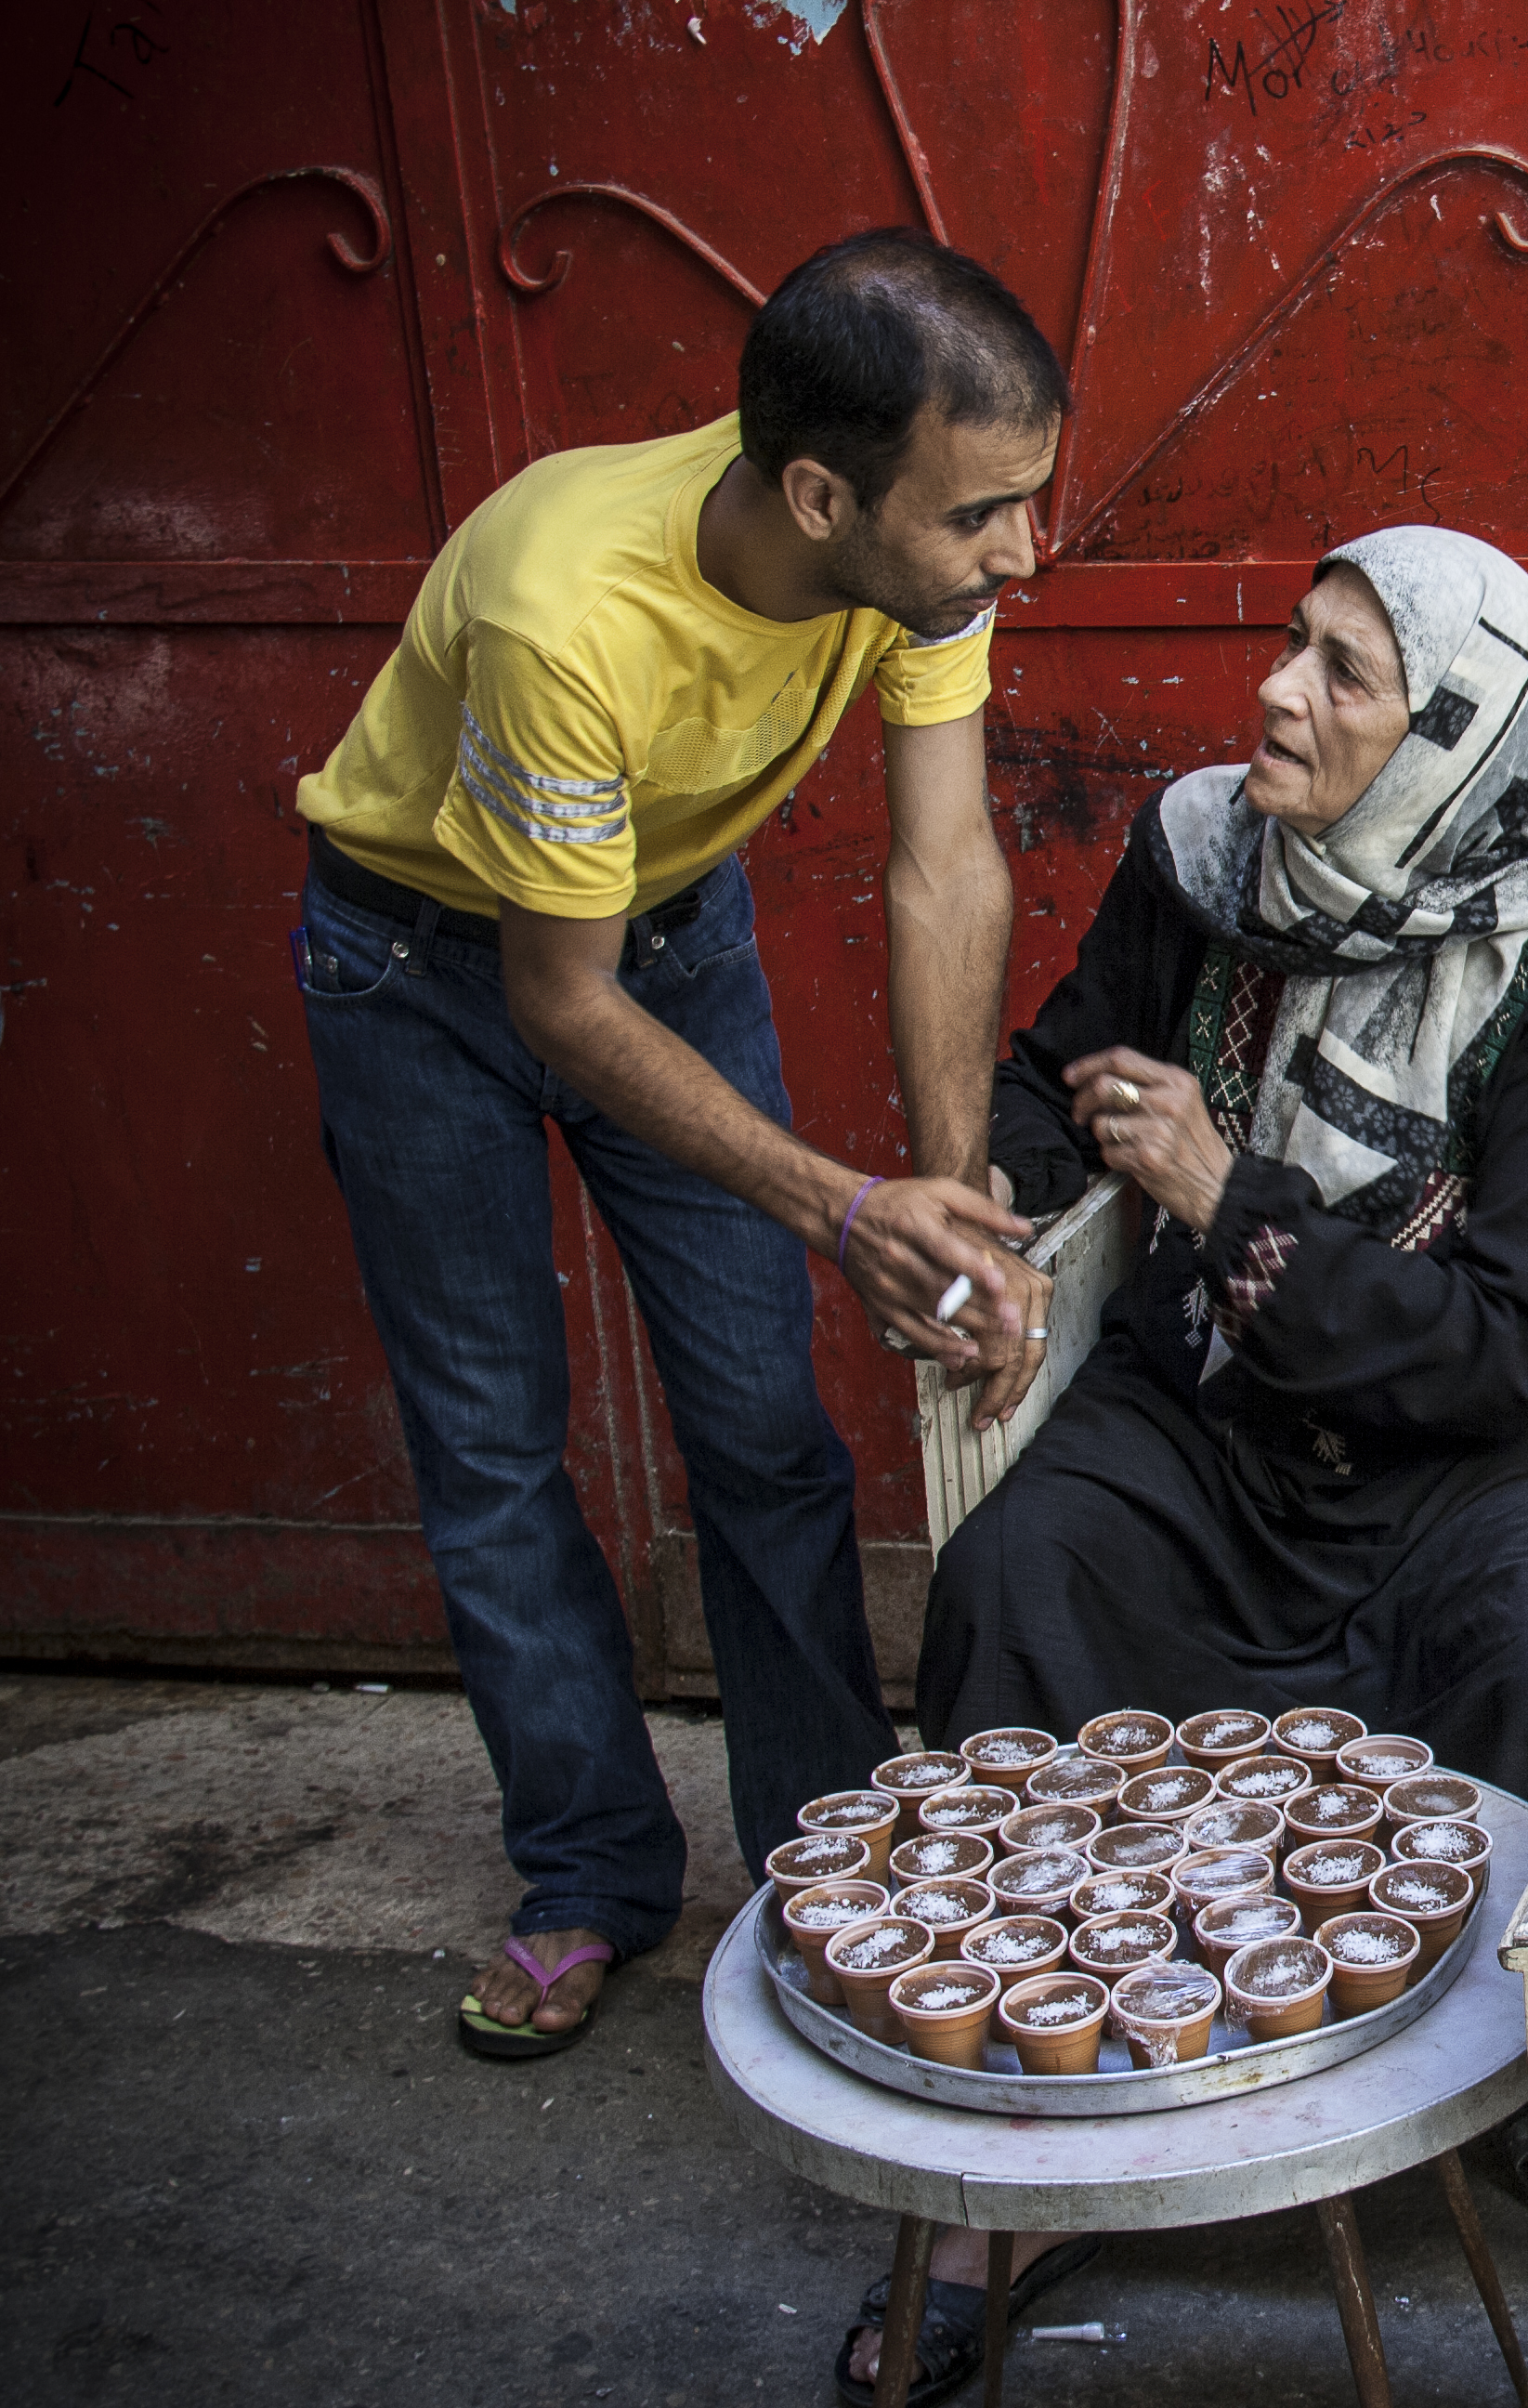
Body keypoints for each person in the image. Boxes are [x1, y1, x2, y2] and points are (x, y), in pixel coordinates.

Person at [844, 526, 1528, 2403]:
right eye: (1292, 644)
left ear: (1457, 734)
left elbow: (1516, 1342)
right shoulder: (1203, 860)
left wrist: (1232, 1194)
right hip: (1216, 1408)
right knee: (1017, 1582)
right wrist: (987, 1247)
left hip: (1474, 1443)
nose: (1281, 694)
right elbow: (1069, 1084)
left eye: (1347, 673)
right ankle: (1033, 2151)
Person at [294, 228, 1066, 2063]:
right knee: (492, 1450)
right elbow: (554, 999)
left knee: (763, 1435)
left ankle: (826, 1863)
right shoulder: (565, 611)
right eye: (982, 518)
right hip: (425, 969)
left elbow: (944, 860)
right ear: (821, 494)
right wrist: (839, 1202)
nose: (1020, 555)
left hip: (669, 931)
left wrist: (940, 1205)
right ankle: (588, 1877)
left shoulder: (921, 575)